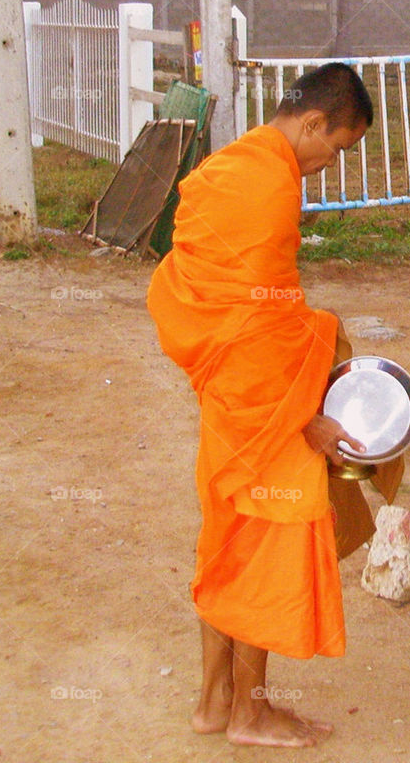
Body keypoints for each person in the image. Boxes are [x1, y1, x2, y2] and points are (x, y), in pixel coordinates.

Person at [147, 63, 374, 748]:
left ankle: (215, 701)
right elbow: (260, 322)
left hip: (231, 398)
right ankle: (250, 711)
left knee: (226, 541)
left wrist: (313, 333)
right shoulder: (270, 183)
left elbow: (214, 297)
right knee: (263, 544)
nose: (329, 165)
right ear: (312, 122)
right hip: (263, 405)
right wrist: (306, 414)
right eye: (335, 148)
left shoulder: (231, 164)